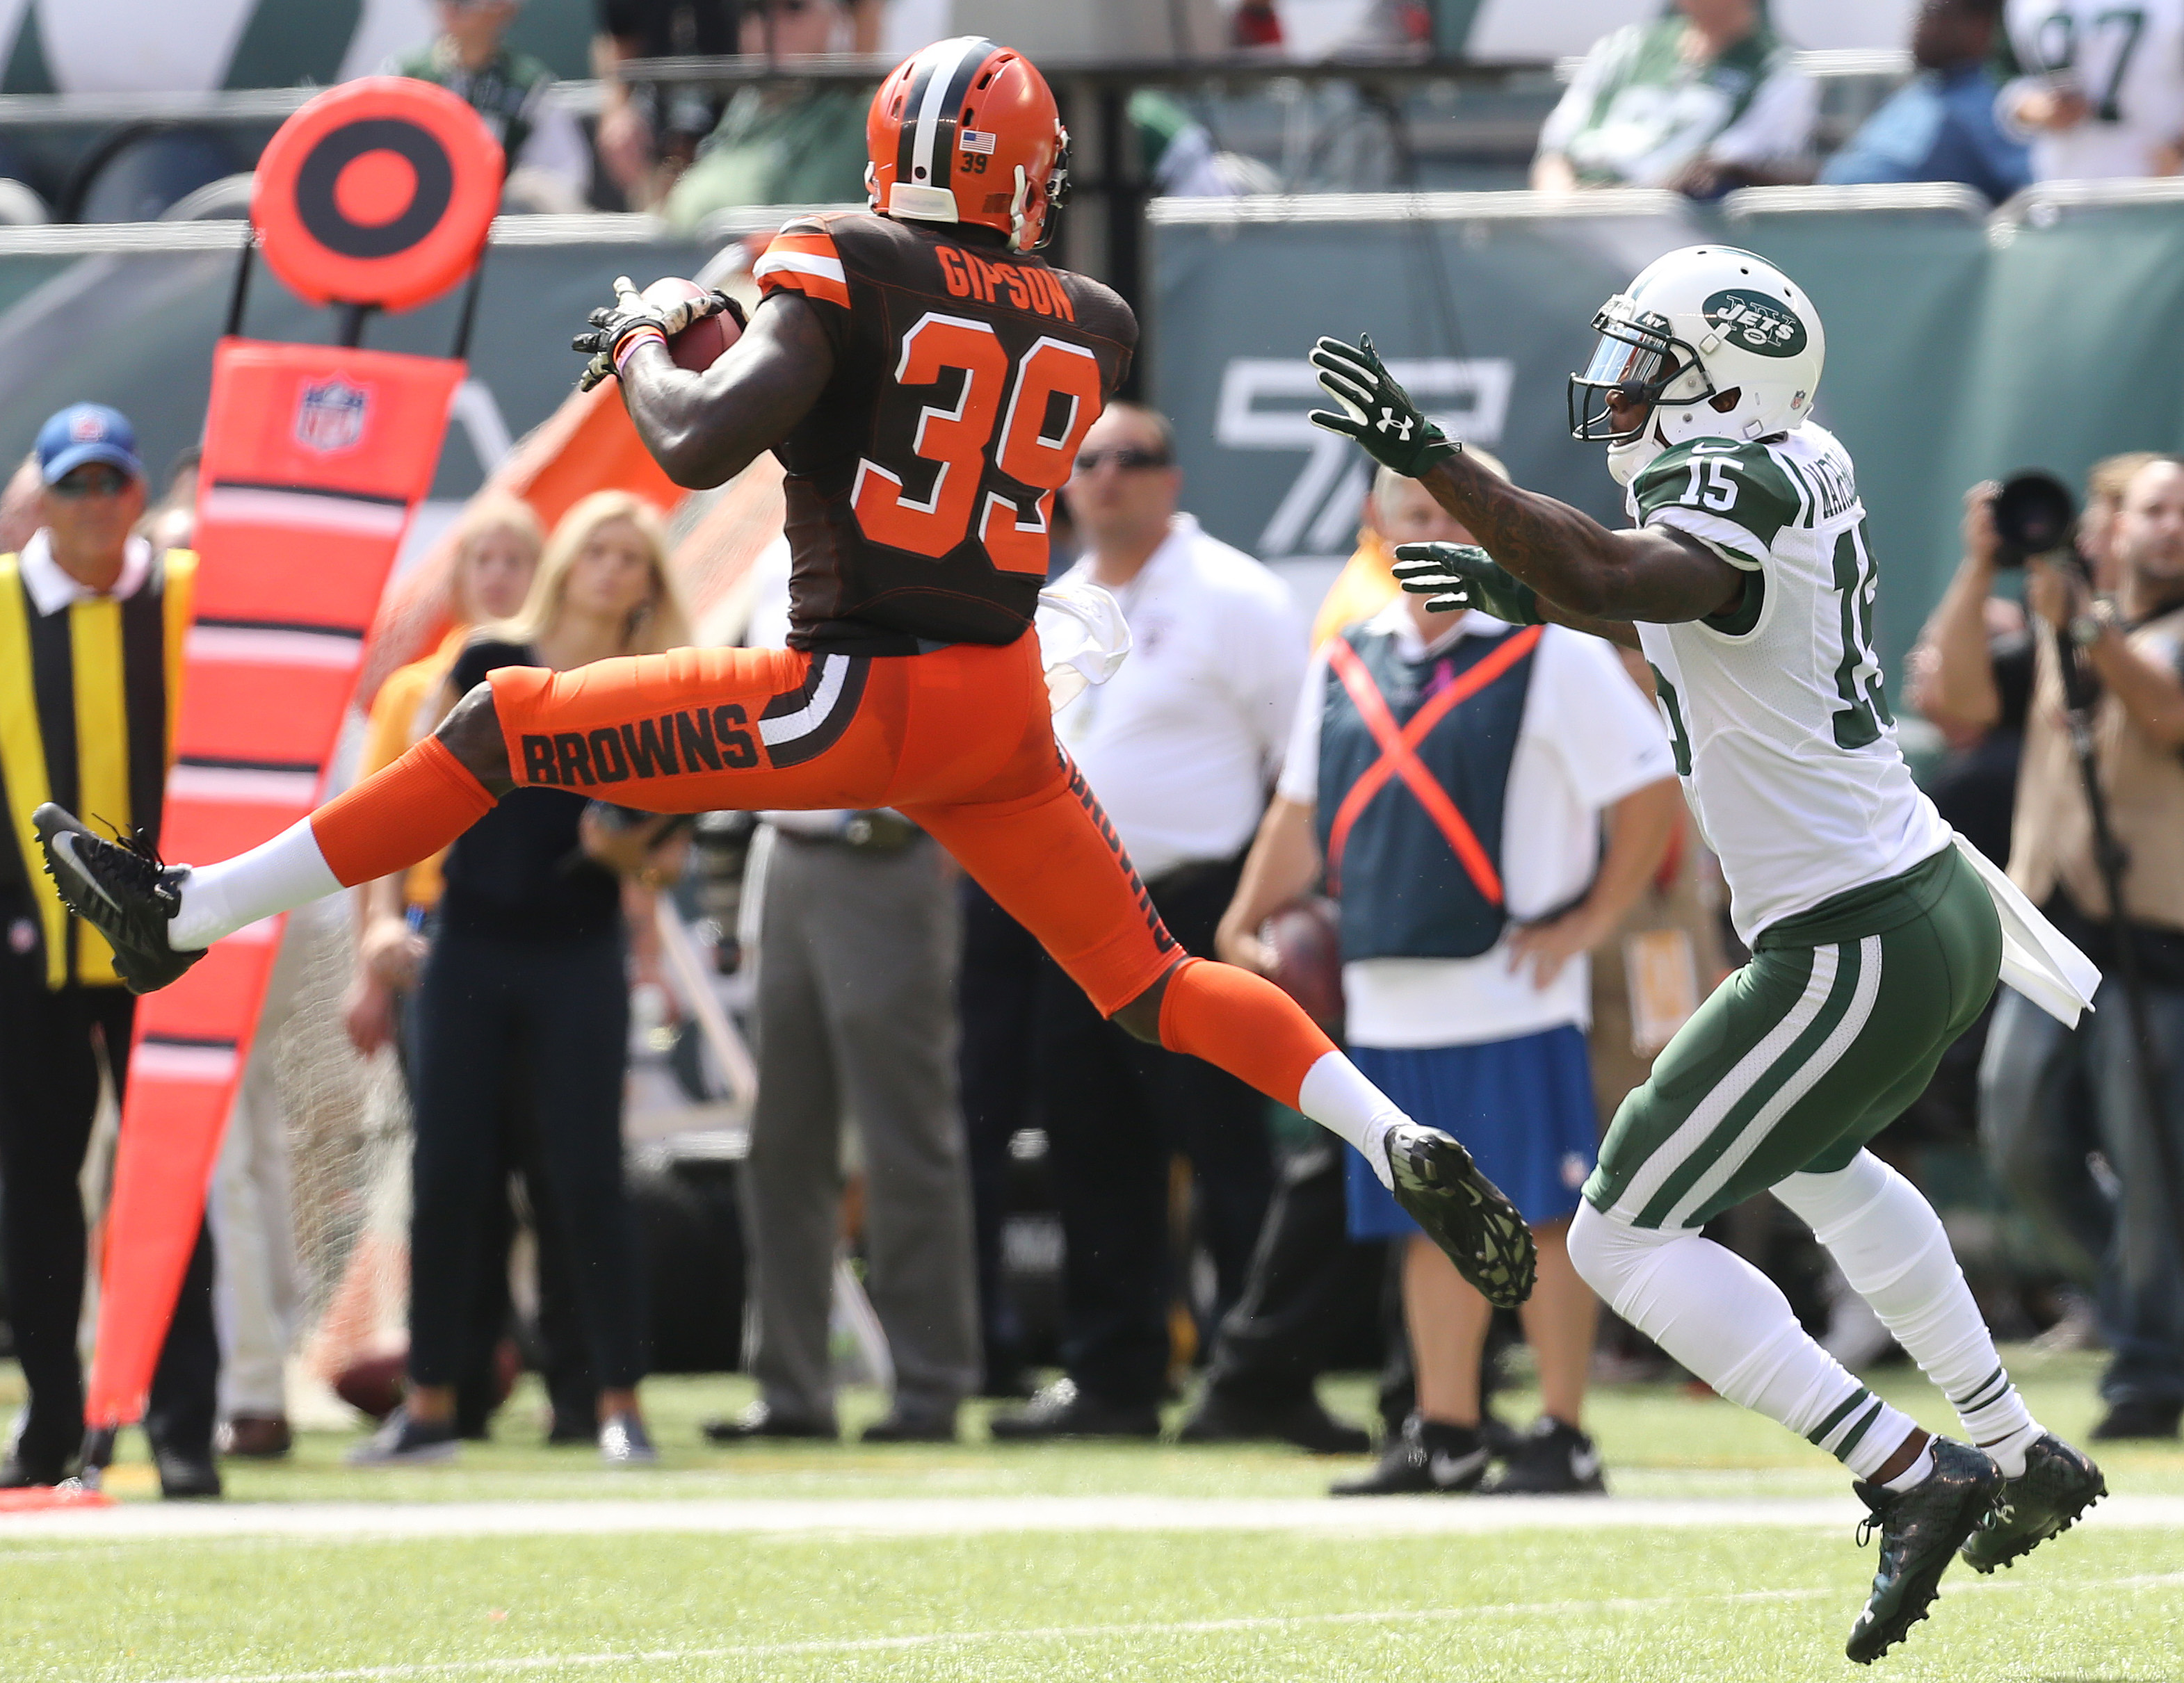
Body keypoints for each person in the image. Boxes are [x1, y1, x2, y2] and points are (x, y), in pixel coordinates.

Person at [36, 33, 1538, 1376]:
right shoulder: (1090, 319)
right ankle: (1387, 1128)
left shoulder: (839, 255)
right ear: (1024, 177)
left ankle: (187, 912)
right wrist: (735, 323)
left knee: (500, 721)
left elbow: (699, 446)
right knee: (1146, 982)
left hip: (850, 694)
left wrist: (643, 343)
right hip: (999, 716)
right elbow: (889, 393)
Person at [1308, 243, 2101, 1661]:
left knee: (1615, 1232)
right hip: (1910, 904)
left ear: (1721, 379)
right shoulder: (1789, 457)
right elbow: (1693, 606)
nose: (1619, 384)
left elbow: (1632, 568)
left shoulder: (1730, 480)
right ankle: (2012, 1440)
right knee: (1817, 1163)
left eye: (1647, 358)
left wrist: (1440, 462)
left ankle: (1911, 1471)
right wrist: (1536, 590)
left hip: (1848, 931)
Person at [1214, 465, 1681, 1495]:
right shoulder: (1343, 658)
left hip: (1513, 986)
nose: (1430, 530)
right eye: (1412, 512)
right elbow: (1299, 815)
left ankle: (1563, 1429)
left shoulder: (1550, 650)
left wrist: (1589, 922)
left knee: (1547, 1219)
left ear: (1491, 530)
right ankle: (1446, 1426)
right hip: (1385, 984)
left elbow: (1650, 789)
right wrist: (1241, 920)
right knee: (1423, 1217)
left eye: (1453, 513)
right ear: (1374, 527)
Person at [343, 491, 690, 1467]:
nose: (614, 570)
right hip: (468, 943)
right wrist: (376, 927)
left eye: (634, 559)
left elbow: (661, 862)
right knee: (448, 1172)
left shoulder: (658, 688)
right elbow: (406, 804)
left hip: (579, 955)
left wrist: (619, 850)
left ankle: (620, 1405)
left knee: (587, 1178)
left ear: (650, 585)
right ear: (570, 559)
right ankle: (430, 1407)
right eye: (600, 551)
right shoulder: (485, 661)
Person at [985, 403, 1303, 1441]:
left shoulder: (1236, 595)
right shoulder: (1051, 606)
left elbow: (1293, 763)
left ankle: (1257, 1372)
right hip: (1075, 904)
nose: (1106, 477)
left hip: (1199, 903)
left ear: (1172, 478)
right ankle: (1111, 1376)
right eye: (1086, 461)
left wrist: (1263, 905)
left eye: (1131, 459)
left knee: (1222, 1146)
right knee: (1090, 1142)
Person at [706, 538, 980, 1445]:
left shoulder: (917, 537)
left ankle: (928, 1385)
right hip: (784, 853)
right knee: (780, 1141)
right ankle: (790, 1386)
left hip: (886, 856)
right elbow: (743, 709)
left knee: (903, 1138)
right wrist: (728, 888)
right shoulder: (771, 557)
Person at [1939, 456, 2184, 1440]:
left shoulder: (2105, 629)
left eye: (2182, 513)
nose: (2168, 528)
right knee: (2020, 1133)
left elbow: (2165, 711)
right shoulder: (2056, 621)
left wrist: (2080, 620)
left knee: (2145, 1151)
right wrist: (1978, 569)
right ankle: (2146, 1311)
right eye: (2152, 511)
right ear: (2109, 528)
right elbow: (1958, 700)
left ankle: (2146, 1363)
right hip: (2051, 937)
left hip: (2159, 945)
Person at [0, 404, 219, 1498]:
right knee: (37, 1191)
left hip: (166, 945)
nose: (94, 505)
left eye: (111, 484)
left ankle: (185, 1424)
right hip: (24, 954)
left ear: (139, 493)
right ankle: (49, 1415)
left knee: (170, 1180)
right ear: (38, 496)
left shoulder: (186, 600)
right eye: (74, 486)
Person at [343, 496, 557, 1441]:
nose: (502, 576)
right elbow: (375, 831)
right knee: (450, 1165)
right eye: (487, 559)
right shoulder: (412, 694)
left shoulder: (564, 680)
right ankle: (450, 1374)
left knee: (540, 1165)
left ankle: (521, 1364)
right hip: (437, 936)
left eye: (518, 559)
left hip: (543, 939)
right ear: (462, 575)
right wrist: (373, 949)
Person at [1531, 0, 1816, 199]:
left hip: (1677, 228)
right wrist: (1561, 205)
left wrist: (1634, 203)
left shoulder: (1779, 71)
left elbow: (1722, 165)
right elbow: (1556, 148)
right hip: (1573, 210)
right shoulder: (1625, 47)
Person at [660, 0, 874, 232]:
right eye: (755, 10)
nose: (770, 25)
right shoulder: (743, 109)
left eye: (794, 7)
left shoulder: (863, 116)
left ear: (841, 18)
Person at [1819, 0, 2031, 204]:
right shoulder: (1918, 90)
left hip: (1905, 235)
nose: (1920, 25)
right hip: (1833, 226)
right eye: (1920, 13)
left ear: (1981, 28)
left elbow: (2024, 193)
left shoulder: (1994, 106)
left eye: (1935, 13)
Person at [391, 0, 594, 212]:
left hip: (498, 223)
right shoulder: (404, 75)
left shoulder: (528, 86)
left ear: (504, 8)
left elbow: (564, 174)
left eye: (464, 3)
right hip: (415, 215)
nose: (450, 7)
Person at [1999, 0, 2184, 181]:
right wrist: (2032, 106)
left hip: (2161, 178)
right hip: (2067, 180)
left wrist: (2179, 149)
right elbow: (2004, 71)